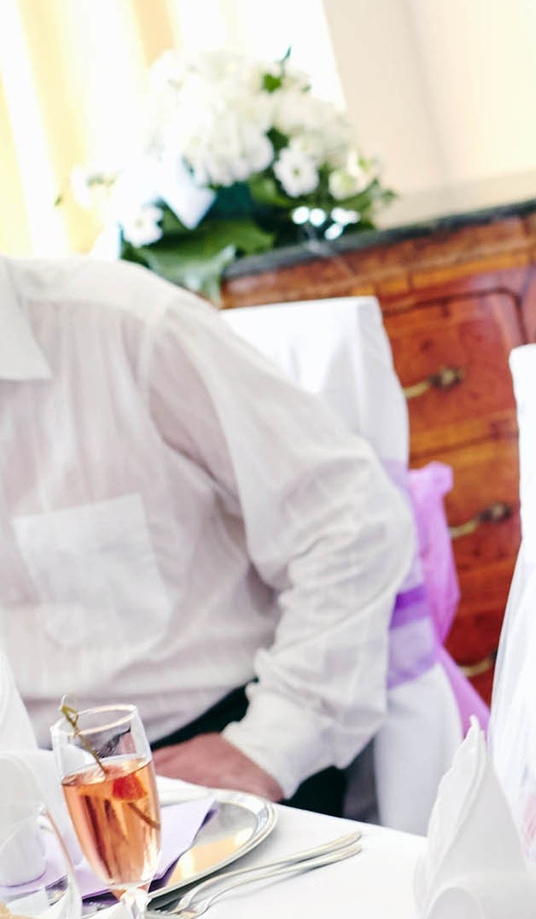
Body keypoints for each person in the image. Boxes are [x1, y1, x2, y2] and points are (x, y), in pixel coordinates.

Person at [0, 255, 412, 811]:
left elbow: (351, 519)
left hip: (200, 762)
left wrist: (269, 746)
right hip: (27, 797)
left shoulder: (130, 327)